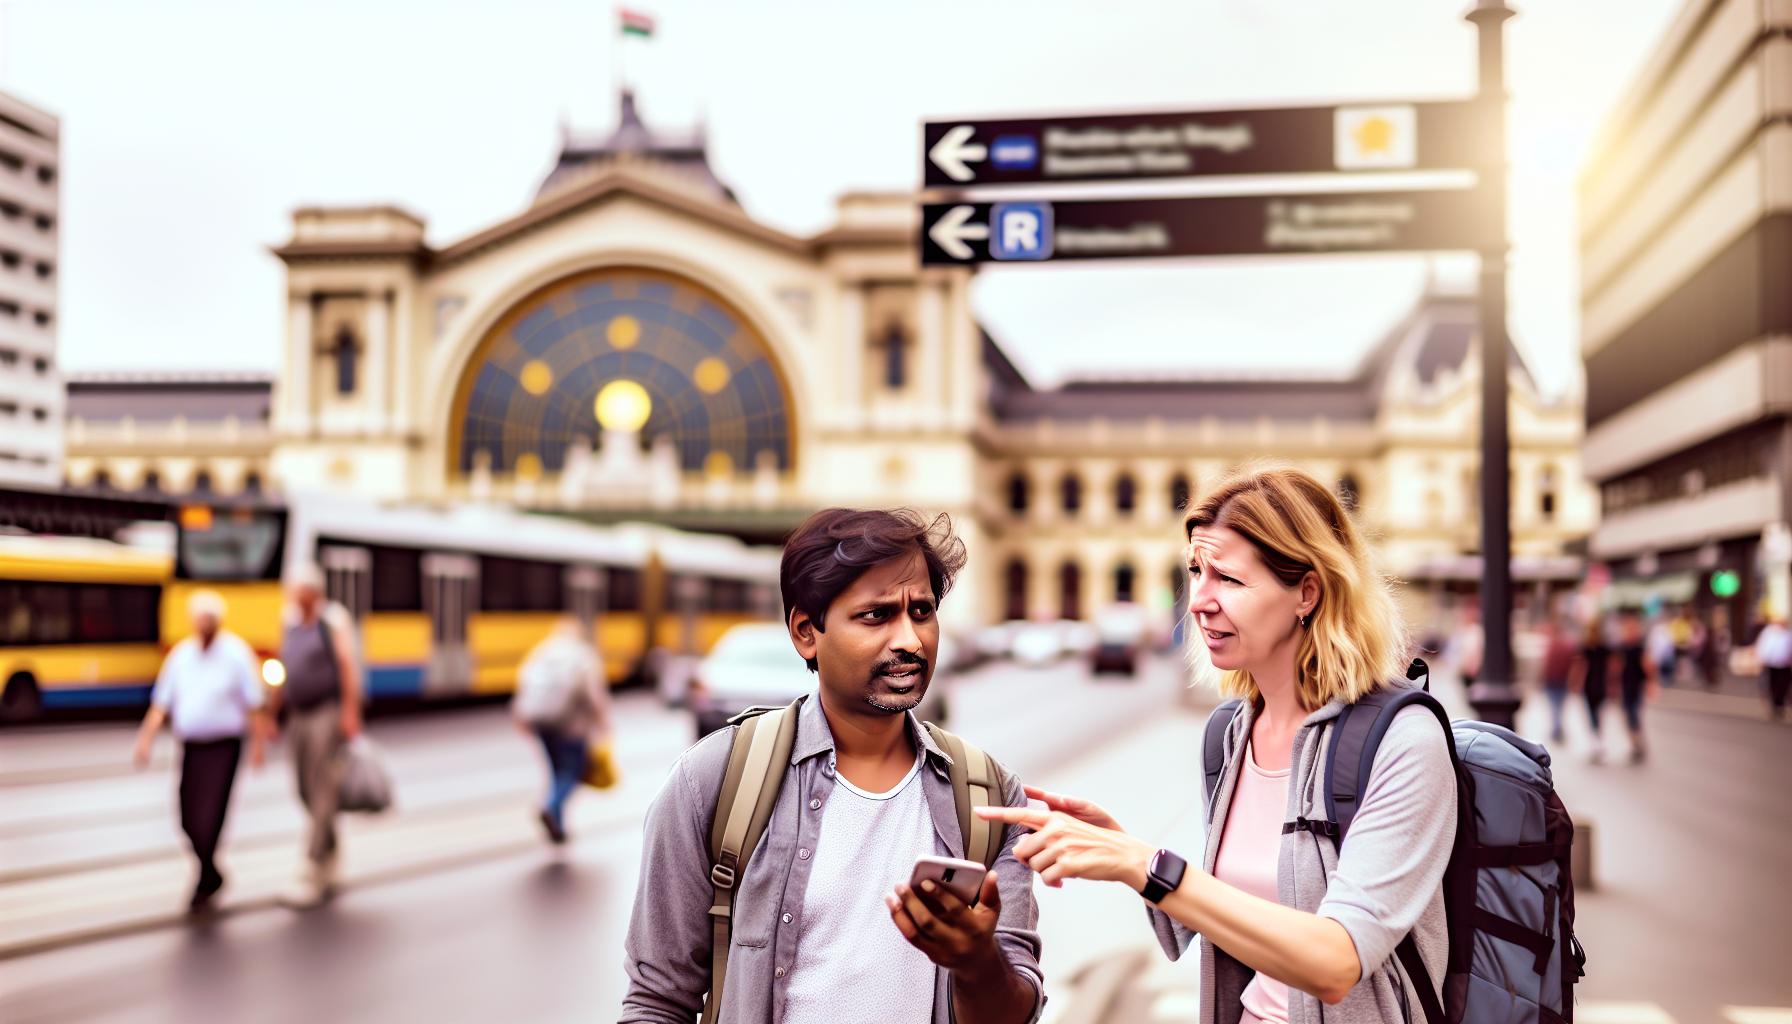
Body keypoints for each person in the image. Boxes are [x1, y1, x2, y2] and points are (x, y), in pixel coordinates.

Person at [980, 466, 1456, 1023]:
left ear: (1307, 591)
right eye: (1195, 571)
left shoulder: (1401, 741)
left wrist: (1147, 864)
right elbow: (1239, 910)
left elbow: (1338, 961)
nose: (1198, 601)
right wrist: (1123, 849)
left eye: (1227, 578)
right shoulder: (1232, 733)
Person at [620, 508, 1043, 1024]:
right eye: (877, 615)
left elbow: (1016, 1014)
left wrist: (978, 964)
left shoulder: (991, 800)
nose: (910, 640)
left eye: (923, 611)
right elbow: (658, 1002)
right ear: (805, 631)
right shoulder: (712, 780)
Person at [131, 590, 267, 911]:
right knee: (187, 817)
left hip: (224, 747)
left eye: (209, 619)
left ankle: (205, 879)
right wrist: (145, 739)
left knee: (211, 817)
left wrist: (258, 746)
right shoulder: (181, 655)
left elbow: (254, 704)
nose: (204, 625)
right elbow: (161, 703)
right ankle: (211, 873)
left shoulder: (235, 653)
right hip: (192, 747)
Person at [267, 563, 362, 904]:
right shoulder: (289, 620)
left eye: (298, 591)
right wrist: (272, 712)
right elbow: (282, 665)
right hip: (298, 712)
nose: (294, 596)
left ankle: (311, 869)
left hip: (326, 711)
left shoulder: (332, 620)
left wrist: (350, 713)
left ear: (313, 593)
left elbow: (347, 666)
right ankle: (331, 853)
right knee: (305, 789)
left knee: (322, 786)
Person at [512, 617, 613, 844]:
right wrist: (603, 723)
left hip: (543, 724)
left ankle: (557, 825)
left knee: (556, 773)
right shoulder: (583, 656)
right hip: (572, 727)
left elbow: (524, 685)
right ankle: (551, 808)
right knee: (571, 773)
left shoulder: (542, 652)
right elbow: (592, 695)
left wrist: (521, 716)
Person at [1612, 608, 1658, 763]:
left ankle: (1638, 743)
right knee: (1627, 715)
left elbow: (1648, 665)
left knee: (1634, 714)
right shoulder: (1622, 646)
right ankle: (1635, 743)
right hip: (1625, 687)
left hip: (1636, 686)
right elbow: (1617, 667)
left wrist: (1652, 683)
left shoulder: (1639, 647)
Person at [1574, 616, 1614, 763]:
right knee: (1598, 715)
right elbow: (1612, 667)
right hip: (1601, 684)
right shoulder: (1605, 647)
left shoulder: (1586, 647)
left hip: (1590, 685)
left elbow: (1581, 667)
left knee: (1592, 715)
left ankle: (1596, 742)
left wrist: (1577, 683)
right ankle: (1598, 741)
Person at [1538, 614, 1578, 744]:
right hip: (1558, 680)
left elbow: (1547, 665)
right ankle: (1557, 729)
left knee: (1555, 707)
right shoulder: (1565, 645)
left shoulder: (1555, 646)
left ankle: (1556, 730)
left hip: (1556, 680)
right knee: (1557, 707)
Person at [1756, 611, 1792, 720]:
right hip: (1771, 663)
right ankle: (1775, 705)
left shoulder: (1788, 634)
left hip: (1785, 664)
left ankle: (1779, 704)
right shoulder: (1768, 632)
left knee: (1783, 686)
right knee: (1772, 685)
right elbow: (1762, 646)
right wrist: (1761, 658)